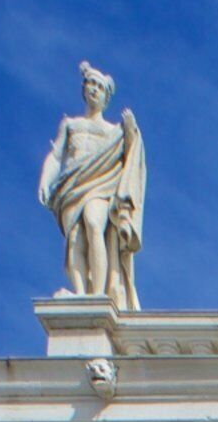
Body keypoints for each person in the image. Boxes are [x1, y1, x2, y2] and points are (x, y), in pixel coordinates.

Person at [38, 61, 147, 310]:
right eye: (91, 84)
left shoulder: (113, 130)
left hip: (101, 186)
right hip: (72, 187)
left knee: (94, 222)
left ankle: (98, 293)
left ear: (107, 97)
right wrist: (46, 178)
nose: (94, 89)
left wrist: (131, 131)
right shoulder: (71, 124)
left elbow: (131, 156)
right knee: (76, 237)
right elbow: (56, 155)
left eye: (99, 86)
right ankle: (81, 291)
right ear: (84, 89)